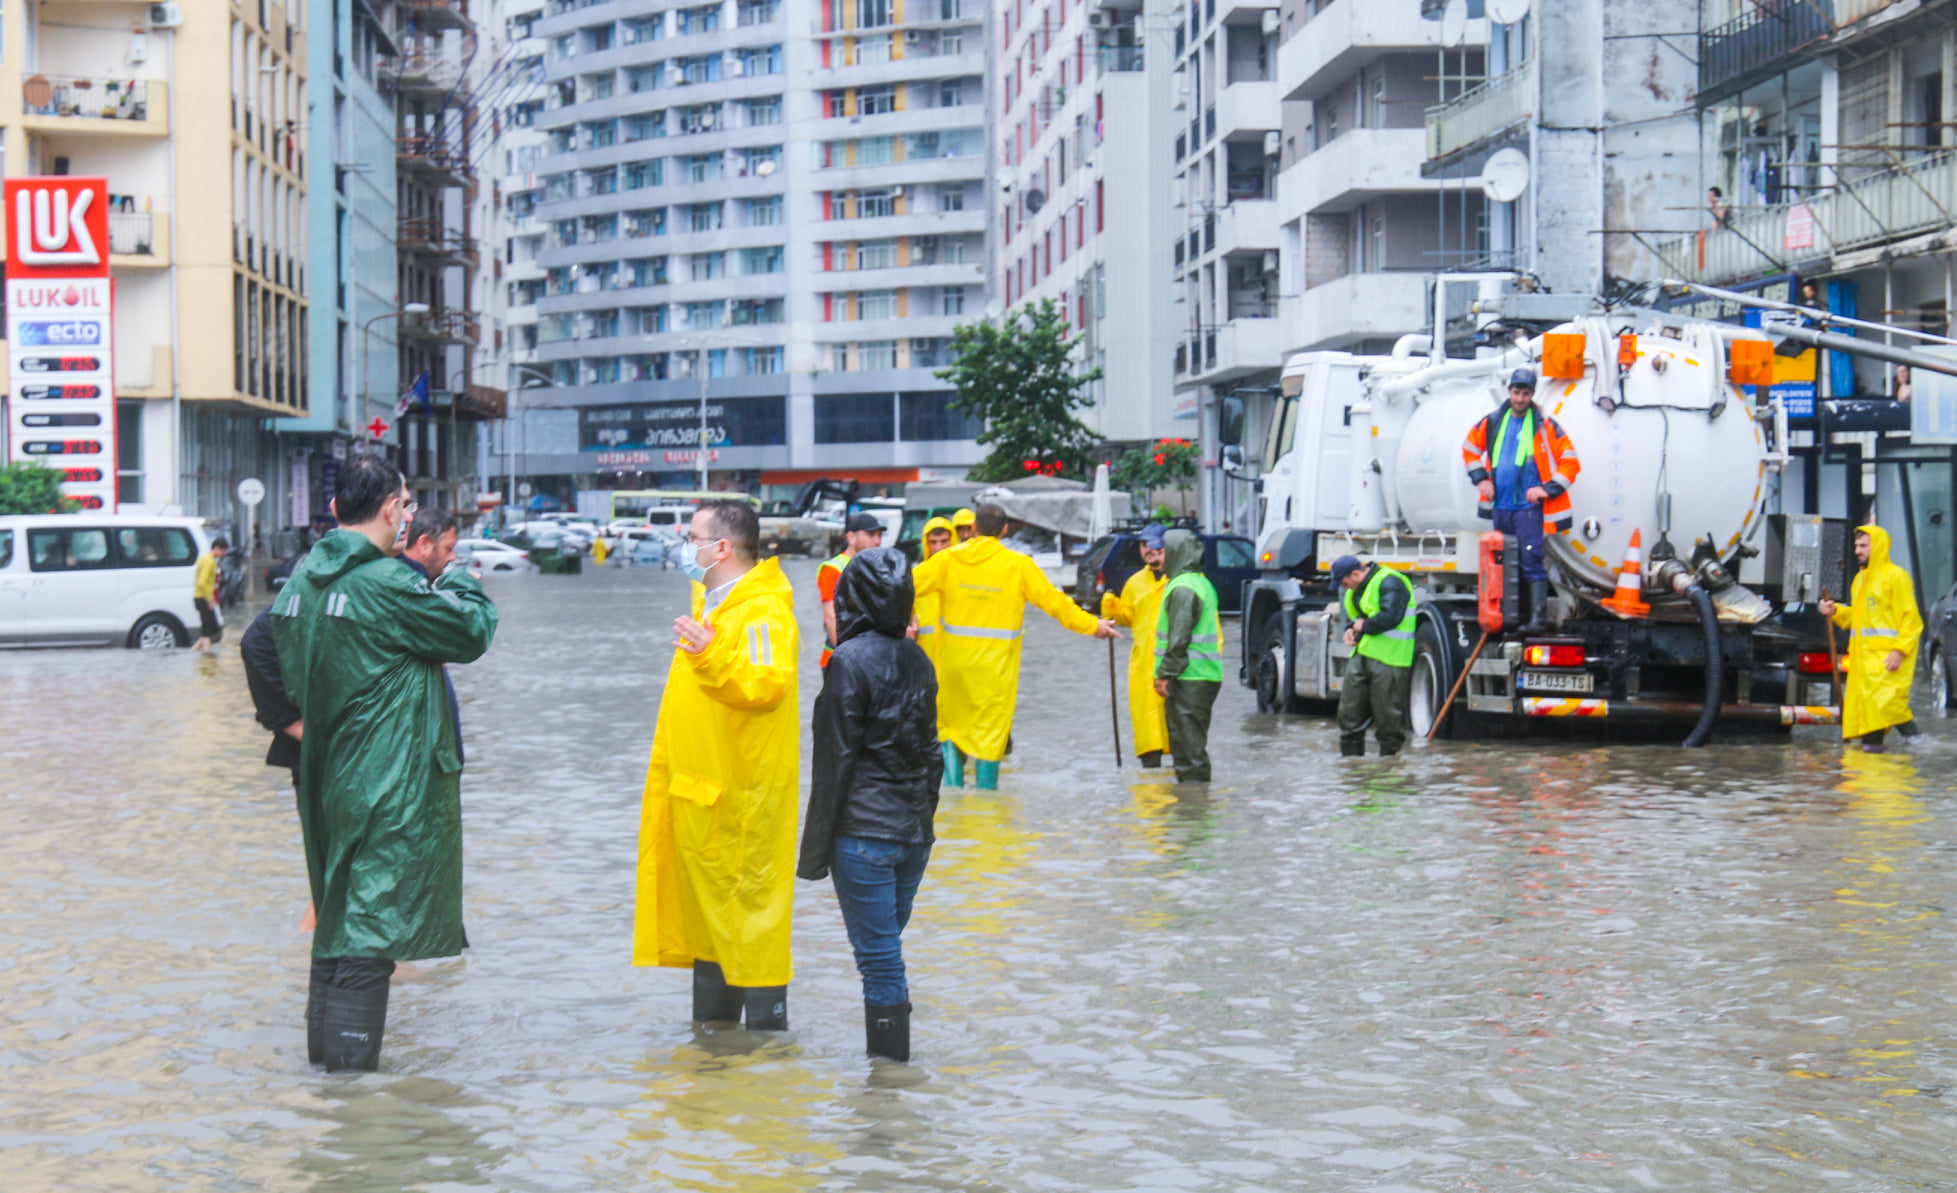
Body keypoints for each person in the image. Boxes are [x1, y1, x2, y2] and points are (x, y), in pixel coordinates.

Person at [272, 454, 498, 1072]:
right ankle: (352, 1093)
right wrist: (453, 577)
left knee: (338, 918)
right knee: (370, 928)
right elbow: (471, 631)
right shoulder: (387, 584)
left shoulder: (298, 581)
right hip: (387, 777)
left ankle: (327, 1084)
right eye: (406, 504)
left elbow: (266, 650)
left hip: (325, 772)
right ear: (394, 510)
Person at [634, 499, 800, 1030]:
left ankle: (765, 1065)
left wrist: (713, 657)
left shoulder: (762, 609)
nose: (686, 546)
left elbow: (765, 685)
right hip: (704, 796)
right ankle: (717, 1063)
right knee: (710, 924)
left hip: (740, 803)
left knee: (749, 922)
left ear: (722, 548)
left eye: (693, 536)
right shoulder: (718, 601)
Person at [799, 547, 941, 1062]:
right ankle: (893, 1086)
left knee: (880, 961)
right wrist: (924, 823)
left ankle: (886, 1083)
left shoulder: (847, 663)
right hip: (911, 836)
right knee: (886, 952)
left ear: (852, 600)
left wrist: (813, 855)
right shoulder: (918, 659)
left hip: (863, 837)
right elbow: (932, 755)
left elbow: (833, 764)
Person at [911, 503, 1118, 789]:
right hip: (995, 673)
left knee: (950, 732)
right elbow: (1056, 604)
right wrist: (1094, 626)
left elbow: (902, 585)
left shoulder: (946, 561)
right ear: (1005, 530)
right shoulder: (1019, 566)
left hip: (953, 669)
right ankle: (986, 809)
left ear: (973, 529)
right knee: (990, 738)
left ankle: (953, 803)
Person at [1461, 368, 1581, 632]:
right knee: (1504, 565)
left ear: (1532, 395)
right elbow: (1469, 448)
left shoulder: (1546, 426)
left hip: (1528, 510)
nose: (1520, 398)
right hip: (1501, 508)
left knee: (1531, 562)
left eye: (1525, 393)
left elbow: (1571, 462)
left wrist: (1546, 490)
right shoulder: (1492, 422)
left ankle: (1535, 620)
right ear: (1510, 392)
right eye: (1516, 392)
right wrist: (1481, 479)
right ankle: (1509, 618)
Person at [1820, 525, 1923, 752]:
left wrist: (1900, 650)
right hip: (1863, 662)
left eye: (1863, 546)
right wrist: (1835, 611)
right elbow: (1856, 619)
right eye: (1856, 546)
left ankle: (1915, 742)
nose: (1857, 551)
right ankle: (1874, 754)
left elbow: (1911, 619)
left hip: (1886, 660)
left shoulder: (1896, 577)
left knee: (1886, 704)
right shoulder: (1860, 580)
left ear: (1878, 546)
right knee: (1871, 709)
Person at [1151, 529, 1223, 783]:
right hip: (1200, 676)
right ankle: (1193, 806)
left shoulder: (1183, 588)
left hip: (1190, 677)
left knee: (1188, 748)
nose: (1161, 557)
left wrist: (1164, 674)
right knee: (1188, 743)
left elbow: (1178, 638)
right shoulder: (1200, 582)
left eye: (1165, 551)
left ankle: (1194, 807)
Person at [399, 508, 467, 769]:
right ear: (424, 544)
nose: (453, 558)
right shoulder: (402, 589)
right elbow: (471, 636)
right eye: (449, 548)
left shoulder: (421, 590)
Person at [1331, 554, 1417, 758]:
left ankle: (1389, 772)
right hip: (1363, 655)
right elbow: (1358, 619)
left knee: (1388, 723)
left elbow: (1391, 617)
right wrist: (1350, 629)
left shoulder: (1390, 582)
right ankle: (1352, 773)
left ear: (1355, 574)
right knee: (1349, 716)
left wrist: (1364, 626)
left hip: (1391, 660)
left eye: (1345, 583)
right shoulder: (1357, 591)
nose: (1345, 588)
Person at [1102, 525, 1171, 767]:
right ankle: (1151, 793)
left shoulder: (1184, 581)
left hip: (1175, 668)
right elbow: (1129, 617)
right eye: (1145, 545)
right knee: (1148, 737)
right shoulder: (1135, 583)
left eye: (1156, 546)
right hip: (1143, 669)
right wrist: (1113, 609)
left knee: (1179, 737)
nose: (1150, 551)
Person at [819, 513, 885, 669]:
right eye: (870, 535)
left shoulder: (875, 566)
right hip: (842, 659)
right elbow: (831, 616)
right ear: (851, 537)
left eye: (879, 535)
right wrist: (847, 656)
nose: (877, 541)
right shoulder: (833, 569)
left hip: (869, 656)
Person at [912, 515, 955, 664]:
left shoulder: (963, 575)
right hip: (924, 655)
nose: (938, 548)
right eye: (933, 542)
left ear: (953, 541)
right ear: (926, 544)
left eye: (944, 541)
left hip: (953, 657)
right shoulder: (916, 576)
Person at [192, 536, 229, 652]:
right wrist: (210, 599)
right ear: (217, 548)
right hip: (203, 598)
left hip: (200, 597)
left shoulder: (203, 559)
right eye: (223, 551)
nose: (223, 554)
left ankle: (194, 651)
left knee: (208, 629)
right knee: (208, 630)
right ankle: (207, 657)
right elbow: (202, 582)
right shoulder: (209, 561)